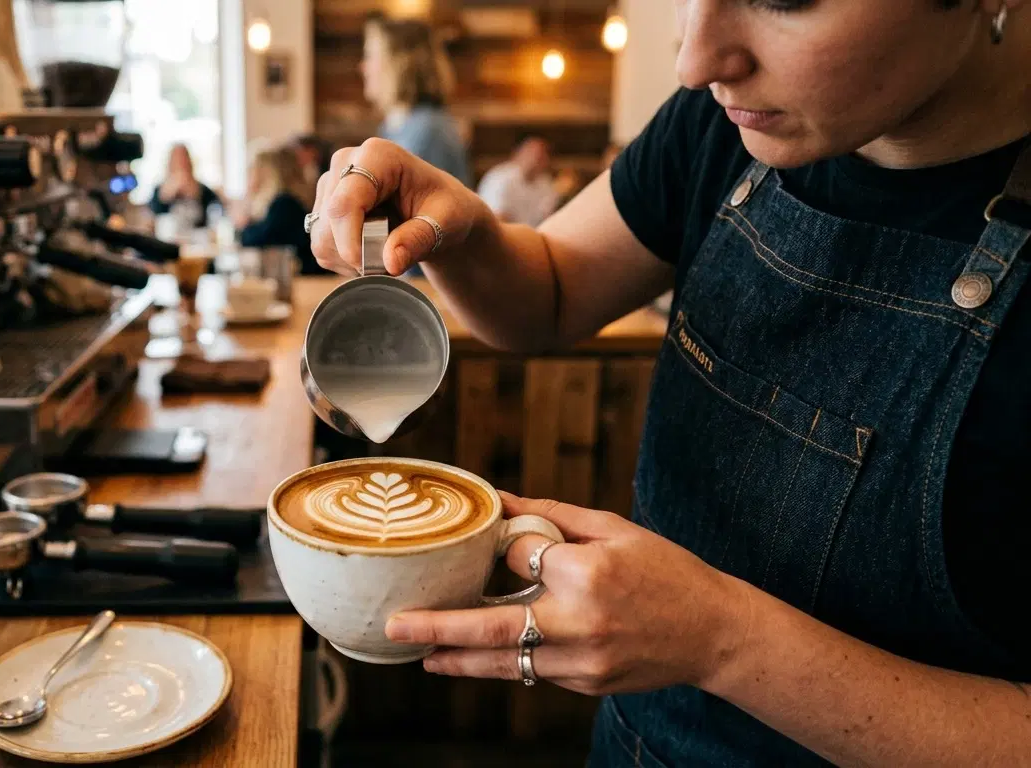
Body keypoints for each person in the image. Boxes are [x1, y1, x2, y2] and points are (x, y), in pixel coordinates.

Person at [304, 1, 1031, 765]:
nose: (694, 62)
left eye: (781, 0)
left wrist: (723, 643)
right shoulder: (723, 123)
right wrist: (466, 236)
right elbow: (550, 293)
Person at [362, 18, 471, 189]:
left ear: (399, 63)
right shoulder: (392, 127)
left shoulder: (428, 130)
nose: (363, 67)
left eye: (370, 56)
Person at [237, 144, 322, 274]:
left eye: (250, 170)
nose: (248, 177)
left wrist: (243, 227)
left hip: (309, 277)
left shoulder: (284, 203)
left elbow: (259, 239)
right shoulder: (280, 202)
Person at [476, 134, 561, 227]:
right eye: (532, 152)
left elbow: (549, 217)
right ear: (517, 153)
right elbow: (497, 220)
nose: (536, 158)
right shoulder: (500, 178)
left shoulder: (545, 182)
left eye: (542, 154)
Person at [148, 143, 220, 228]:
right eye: (176, 160)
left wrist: (197, 195)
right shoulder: (159, 190)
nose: (180, 163)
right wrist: (165, 196)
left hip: (197, 237)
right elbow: (152, 216)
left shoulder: (202, 189)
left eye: (183, 159)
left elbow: (215, 212)